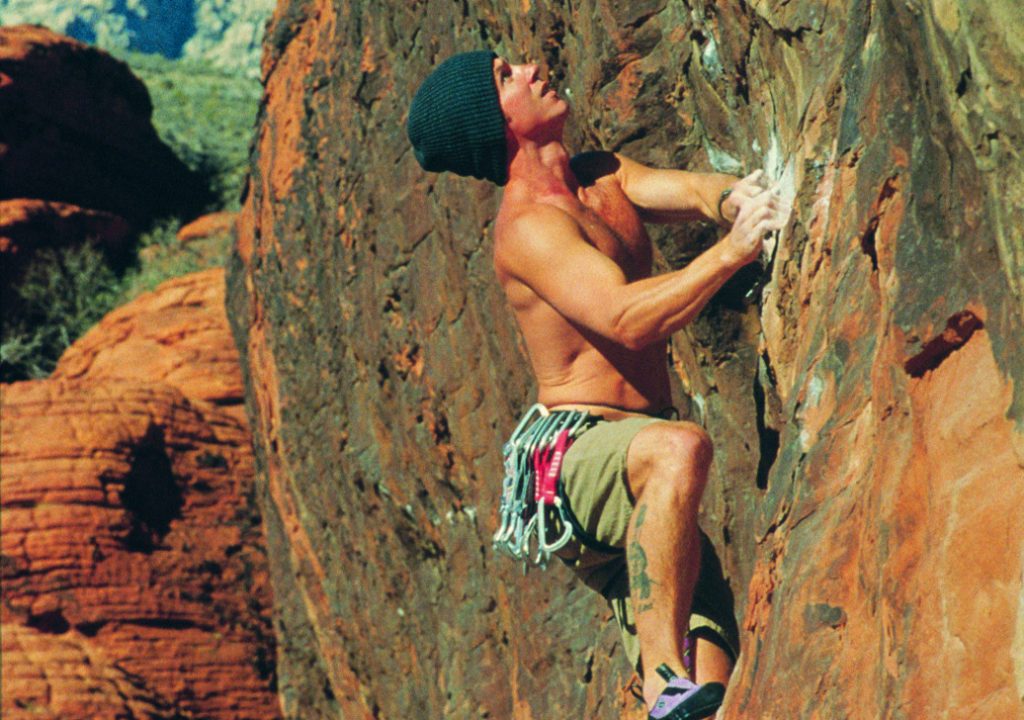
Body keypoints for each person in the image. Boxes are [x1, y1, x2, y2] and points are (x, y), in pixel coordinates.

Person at [407, 50, 789, 720]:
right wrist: (733, 251)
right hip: (578, 457)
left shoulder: (601, 176)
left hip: (639, 480)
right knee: (677, 447)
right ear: (489, 126)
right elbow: (626, 319)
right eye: (505, 76)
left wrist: (733, 199)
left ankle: (676, 683)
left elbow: (696, 192)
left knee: (722, 693)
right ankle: (661, 675)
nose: (530, 68)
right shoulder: (528, 228)